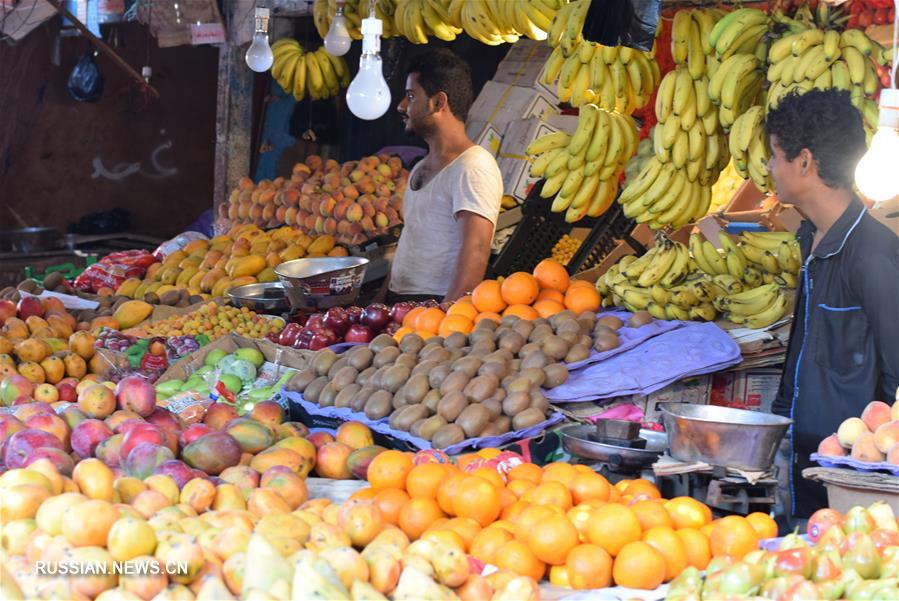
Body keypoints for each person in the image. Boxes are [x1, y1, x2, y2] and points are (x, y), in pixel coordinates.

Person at [766, 89, 899, 523]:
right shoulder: (810, 237)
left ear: (804, 161)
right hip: (801, 464)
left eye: (775, 156)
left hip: (851, 485)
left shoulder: (873, 255)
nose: (770, 168)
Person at [380, 48, 503, 304]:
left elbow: (476, 252)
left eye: (411, 96)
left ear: (438, 103)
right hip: (402, 306)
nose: (402, 106)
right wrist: (381, 300)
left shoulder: (473, 166)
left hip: (434, 307)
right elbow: (410, 240)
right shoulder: (420, 167)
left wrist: (446, 316)